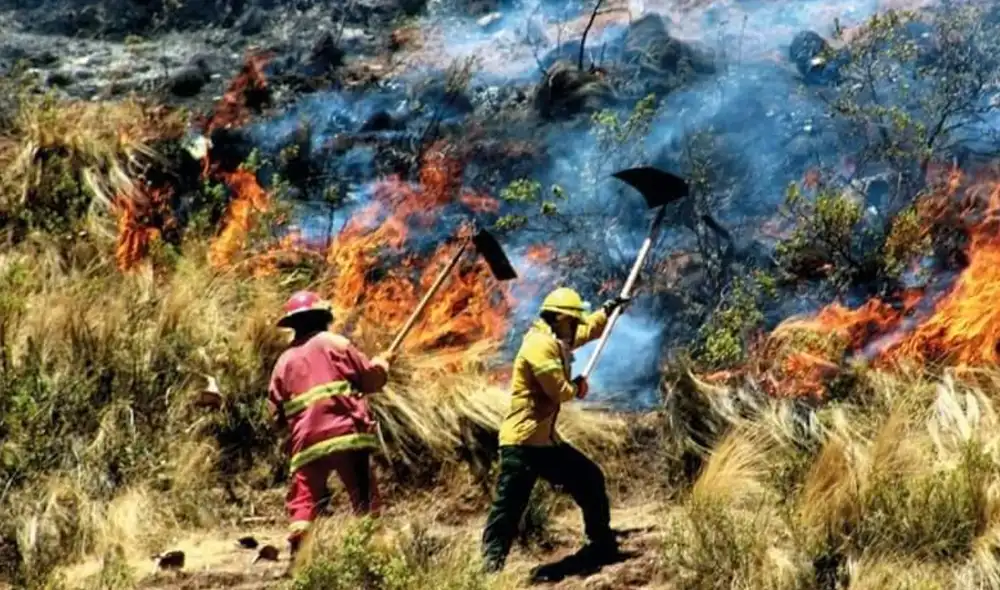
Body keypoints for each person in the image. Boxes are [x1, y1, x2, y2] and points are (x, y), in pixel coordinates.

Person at [481, 287, 630, 574]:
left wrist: (607, 312)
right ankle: (489, 570)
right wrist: (577, 386)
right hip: (523, 444)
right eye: (573, 321)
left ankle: (600, 544)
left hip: (545, 444)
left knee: (589, 478)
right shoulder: (538, 346)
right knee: (509, 508)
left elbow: (586, 333)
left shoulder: (555, 338)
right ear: (561, 319)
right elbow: (559, 391)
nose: (576, 327)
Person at [267, 290, 393, 559]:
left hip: (306, 443)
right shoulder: (336, 344)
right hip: (346, 435)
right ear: (323, 317)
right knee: (364, 498)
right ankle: (375, 557)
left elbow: (275, 413)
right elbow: (370, 381)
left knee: (304, 500)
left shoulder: (283, 362)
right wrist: (381, 365)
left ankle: (300, 558)